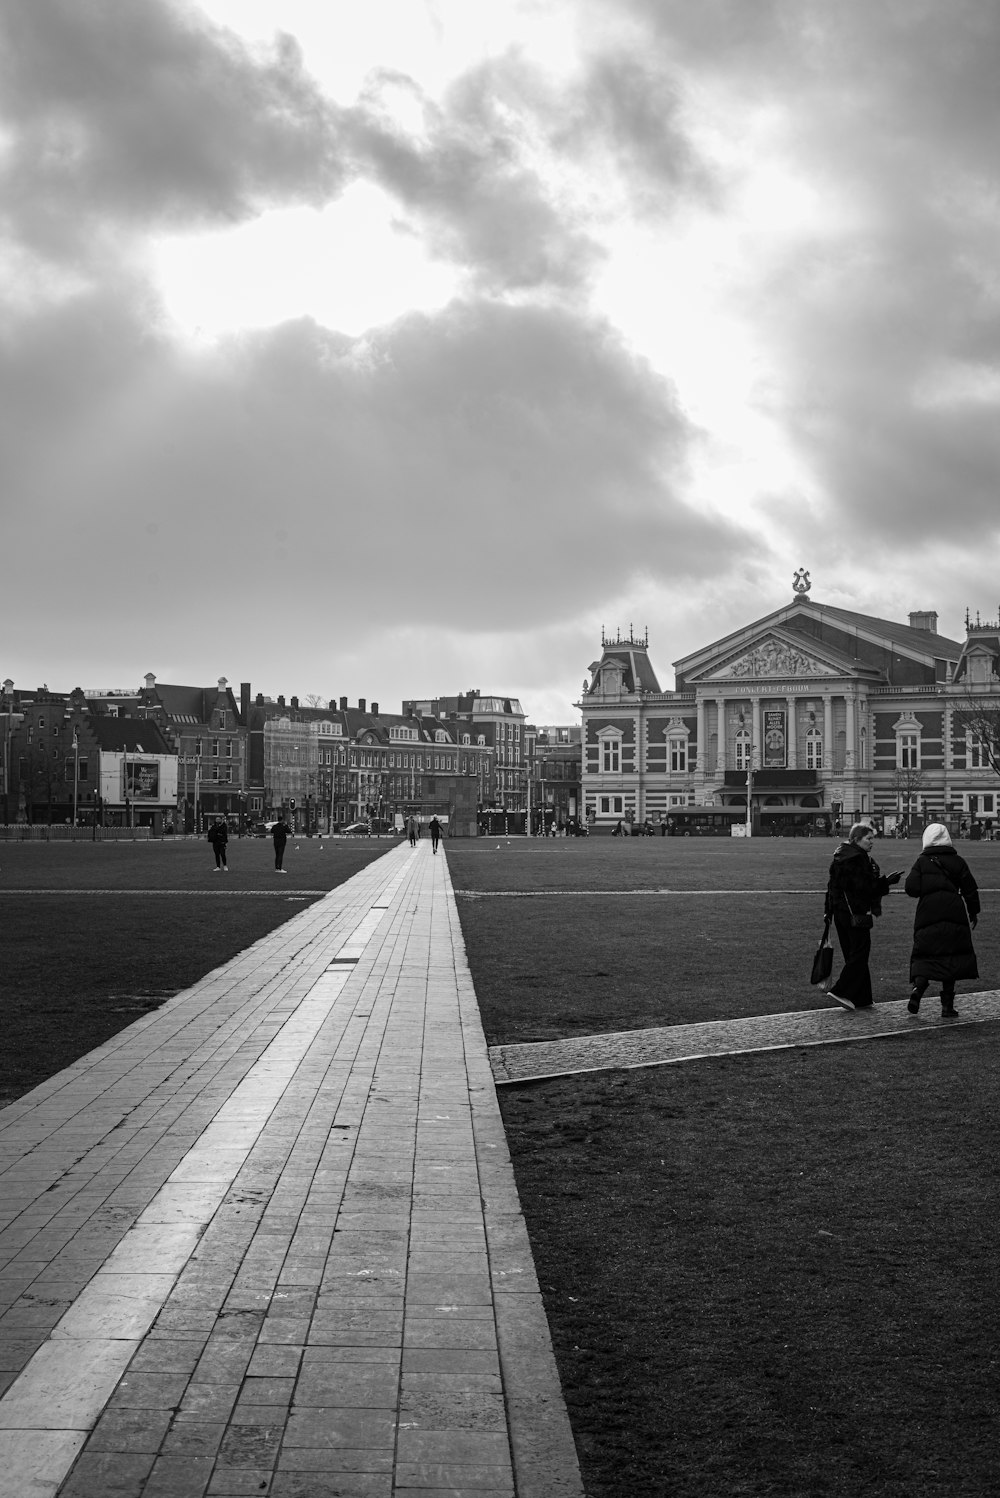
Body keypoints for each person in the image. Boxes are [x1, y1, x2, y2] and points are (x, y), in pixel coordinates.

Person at [824, 822, 902, 1010]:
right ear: (857, 839)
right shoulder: (858, 859)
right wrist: (887, 882)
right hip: (855, 912)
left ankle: (862, 997)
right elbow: (865, 888)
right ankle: (842, 990)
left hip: (841, 912)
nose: (872, 842)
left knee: (854, 953)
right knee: (859, 953)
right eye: (869, 838)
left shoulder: (841, 856)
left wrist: (828, 911)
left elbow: (832, 887)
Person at [904, 824, 980, 1016]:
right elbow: (970, 889)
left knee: (925, 952)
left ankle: (918, 990)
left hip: (928, 911)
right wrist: (973, 911)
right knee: (951, 955)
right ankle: (947, 1006)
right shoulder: (958, 861)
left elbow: (911, 888)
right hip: (953, 909)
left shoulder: (921, 862)